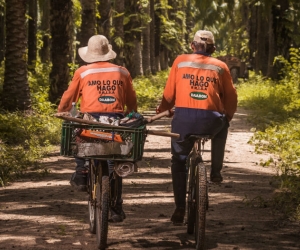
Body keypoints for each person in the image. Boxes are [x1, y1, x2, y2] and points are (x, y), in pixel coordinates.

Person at [156, 30, 238, 224]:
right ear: (213, 49)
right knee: (223, 125)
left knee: (178, 161)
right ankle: (216, 171)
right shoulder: (220, 66)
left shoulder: (180, 61)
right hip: (211, 121)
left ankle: (180, 207)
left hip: (183, 120)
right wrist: (227, 116)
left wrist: (163, 109)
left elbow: (169, 95)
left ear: (192, 46)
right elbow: (231, 97)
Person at [57, 34, 137, 222]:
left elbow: (68, 98)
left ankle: (81, 170)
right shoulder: (122, 72)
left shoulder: (83, 72)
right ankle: (116, 206)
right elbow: (132, 102)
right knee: (116, 164)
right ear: (108, 53)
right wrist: (131, 113)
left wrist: (62, 111)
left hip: (90, 124)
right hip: (115, 126)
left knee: (76, 132)